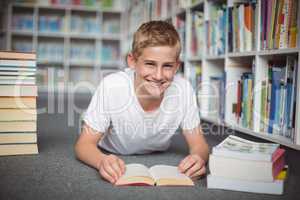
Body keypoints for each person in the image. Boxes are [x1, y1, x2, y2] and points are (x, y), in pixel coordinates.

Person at [75, 20, 209, 184]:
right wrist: (101, 160)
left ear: (176, 67)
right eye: (150, 64)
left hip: (157, 151)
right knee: (91, 125)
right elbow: (84, 145)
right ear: (132, 61)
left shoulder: (184, 89)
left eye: (167, 66)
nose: (159, 76)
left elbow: (199, 144)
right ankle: (91, 117)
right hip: (112, 148)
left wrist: (198, 158)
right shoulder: (111, 86)